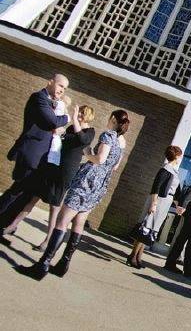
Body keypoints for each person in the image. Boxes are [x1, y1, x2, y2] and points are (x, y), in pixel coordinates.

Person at [16, 110, 129, 280]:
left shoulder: (108, 135)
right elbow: (113, 167)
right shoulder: (121, 143)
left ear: (113, 119)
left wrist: (87, 153)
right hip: (99, 186)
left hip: (87, 182)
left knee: (62, 221)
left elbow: (100, 159)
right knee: (79, 223)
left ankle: (43, 264)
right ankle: (63, 264)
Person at [4, 105, 95, 252]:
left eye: (82, 114)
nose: (79, 115)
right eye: (79, 113)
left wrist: (75, 119)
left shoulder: (89, 132)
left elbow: (82, 140)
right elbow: (62, 142)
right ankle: (12, 225)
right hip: (53, 166)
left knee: (54, 208)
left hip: (66, 172)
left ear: (88, 116)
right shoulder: (72, 128)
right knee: (33, 197)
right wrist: (59, 133)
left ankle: (47, 241)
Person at [0, 74, 70, 246]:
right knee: (16, 191)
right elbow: (51, 121)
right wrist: (67, 117)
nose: (62, 90)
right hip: (31, 153)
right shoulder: (39, 98)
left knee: (25, 195)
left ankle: (3, 226)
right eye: (60, 85)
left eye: (65, 88)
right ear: (50, 82)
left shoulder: (52, 103)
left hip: (41, 158)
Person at [127, 145, 182, 269]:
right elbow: (156, 188)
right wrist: (153, 203)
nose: (180, 157)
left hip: (166, 202)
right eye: (180, 155)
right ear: (177, 156)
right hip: (158, 201)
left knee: (151, 231)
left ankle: (139, 256)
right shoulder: (166, 169)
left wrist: (177, 204)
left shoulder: (174, 170)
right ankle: (133, 256)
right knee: (145, 229)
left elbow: (175, 190)